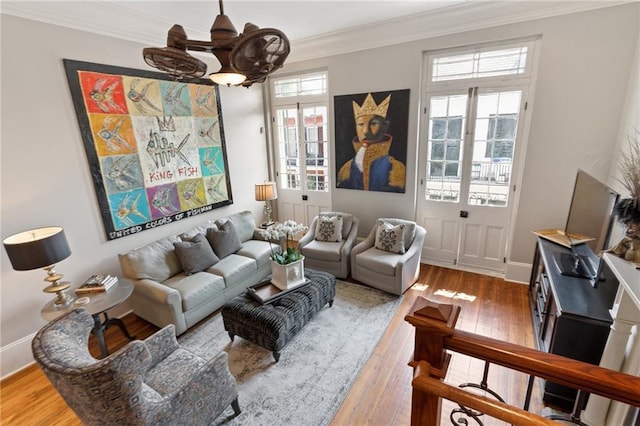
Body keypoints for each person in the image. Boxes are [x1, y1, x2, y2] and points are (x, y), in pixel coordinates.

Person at [337, 93, 405, 192]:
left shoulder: (396, 168)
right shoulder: (346, 169)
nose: (365, 131)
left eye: (373, 123)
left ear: (384, 127)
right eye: (360, 124)